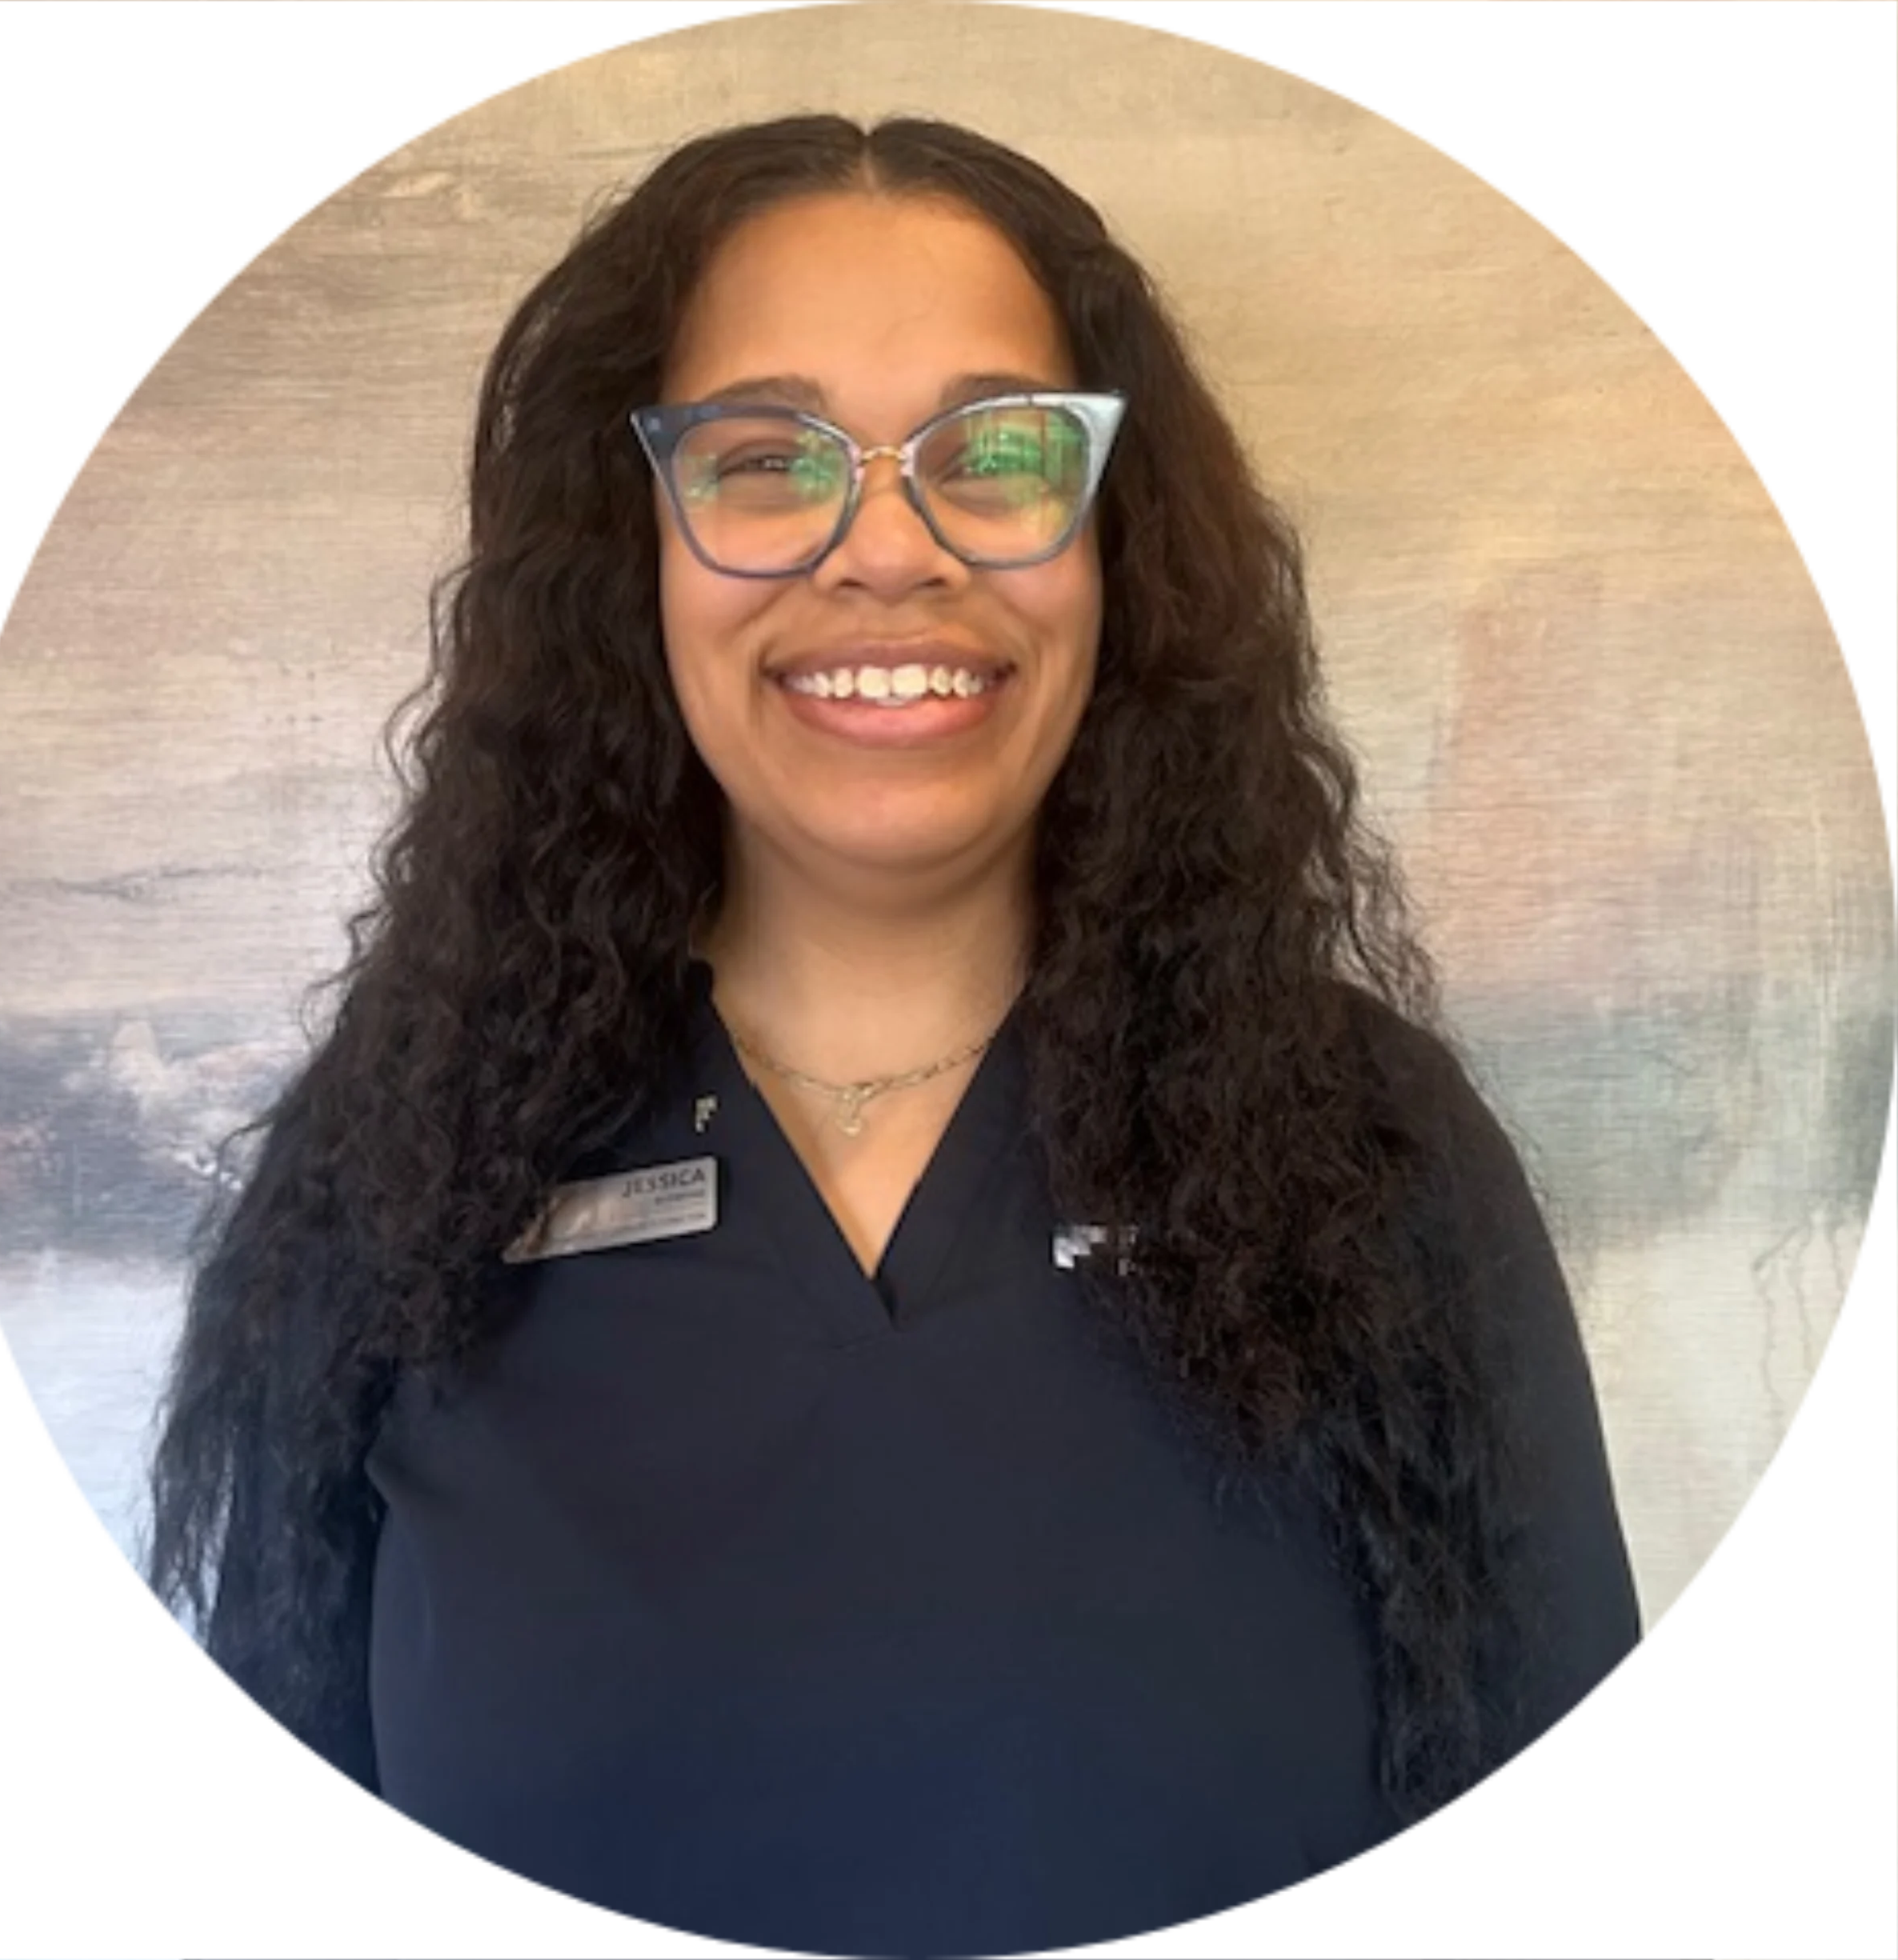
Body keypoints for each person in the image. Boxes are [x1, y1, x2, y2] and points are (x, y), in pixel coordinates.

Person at [146, 113, 1644, 1958]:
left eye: (996, 451)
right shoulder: (399, 1179)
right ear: (633, 553)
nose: (885, 550)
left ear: (1116, 545)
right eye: (765, 457)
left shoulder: (1374, 1159)